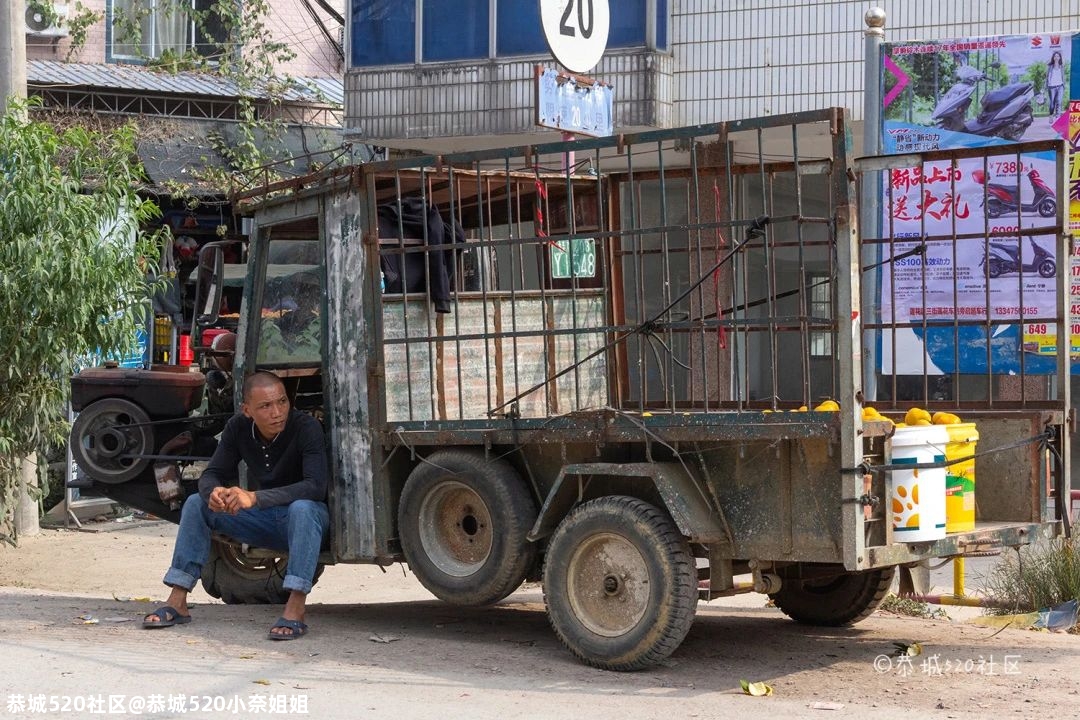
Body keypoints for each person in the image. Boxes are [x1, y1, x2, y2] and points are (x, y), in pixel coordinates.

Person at [142, 371, 330, 640]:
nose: (277, 412)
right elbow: (212, 473)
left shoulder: (306, 428)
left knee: (303, 508)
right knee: (197, 503)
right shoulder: (237, 427)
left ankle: (296, 607)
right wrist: (214, 492)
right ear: (247, 410)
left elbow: (315, 487)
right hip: (265, 519)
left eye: (282, 402)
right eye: (265, 406)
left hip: (308, 521)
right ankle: (177, 600)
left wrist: (254, 498)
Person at [1047, 51, 1065, 117]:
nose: (1056, 57)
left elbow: (1063, 76)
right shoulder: (1050, 67)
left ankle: (1058, 117)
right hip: (1052, 87)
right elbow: (1047, 76)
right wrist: (1047, 84)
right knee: (1052, 103)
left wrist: (1063, 85)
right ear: (1053, 58)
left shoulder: (1062, 66)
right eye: (1055, 56)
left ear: (1060, 57)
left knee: (1059, 102)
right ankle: (1051, 115)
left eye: (1058, 56)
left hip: (1060, 86)